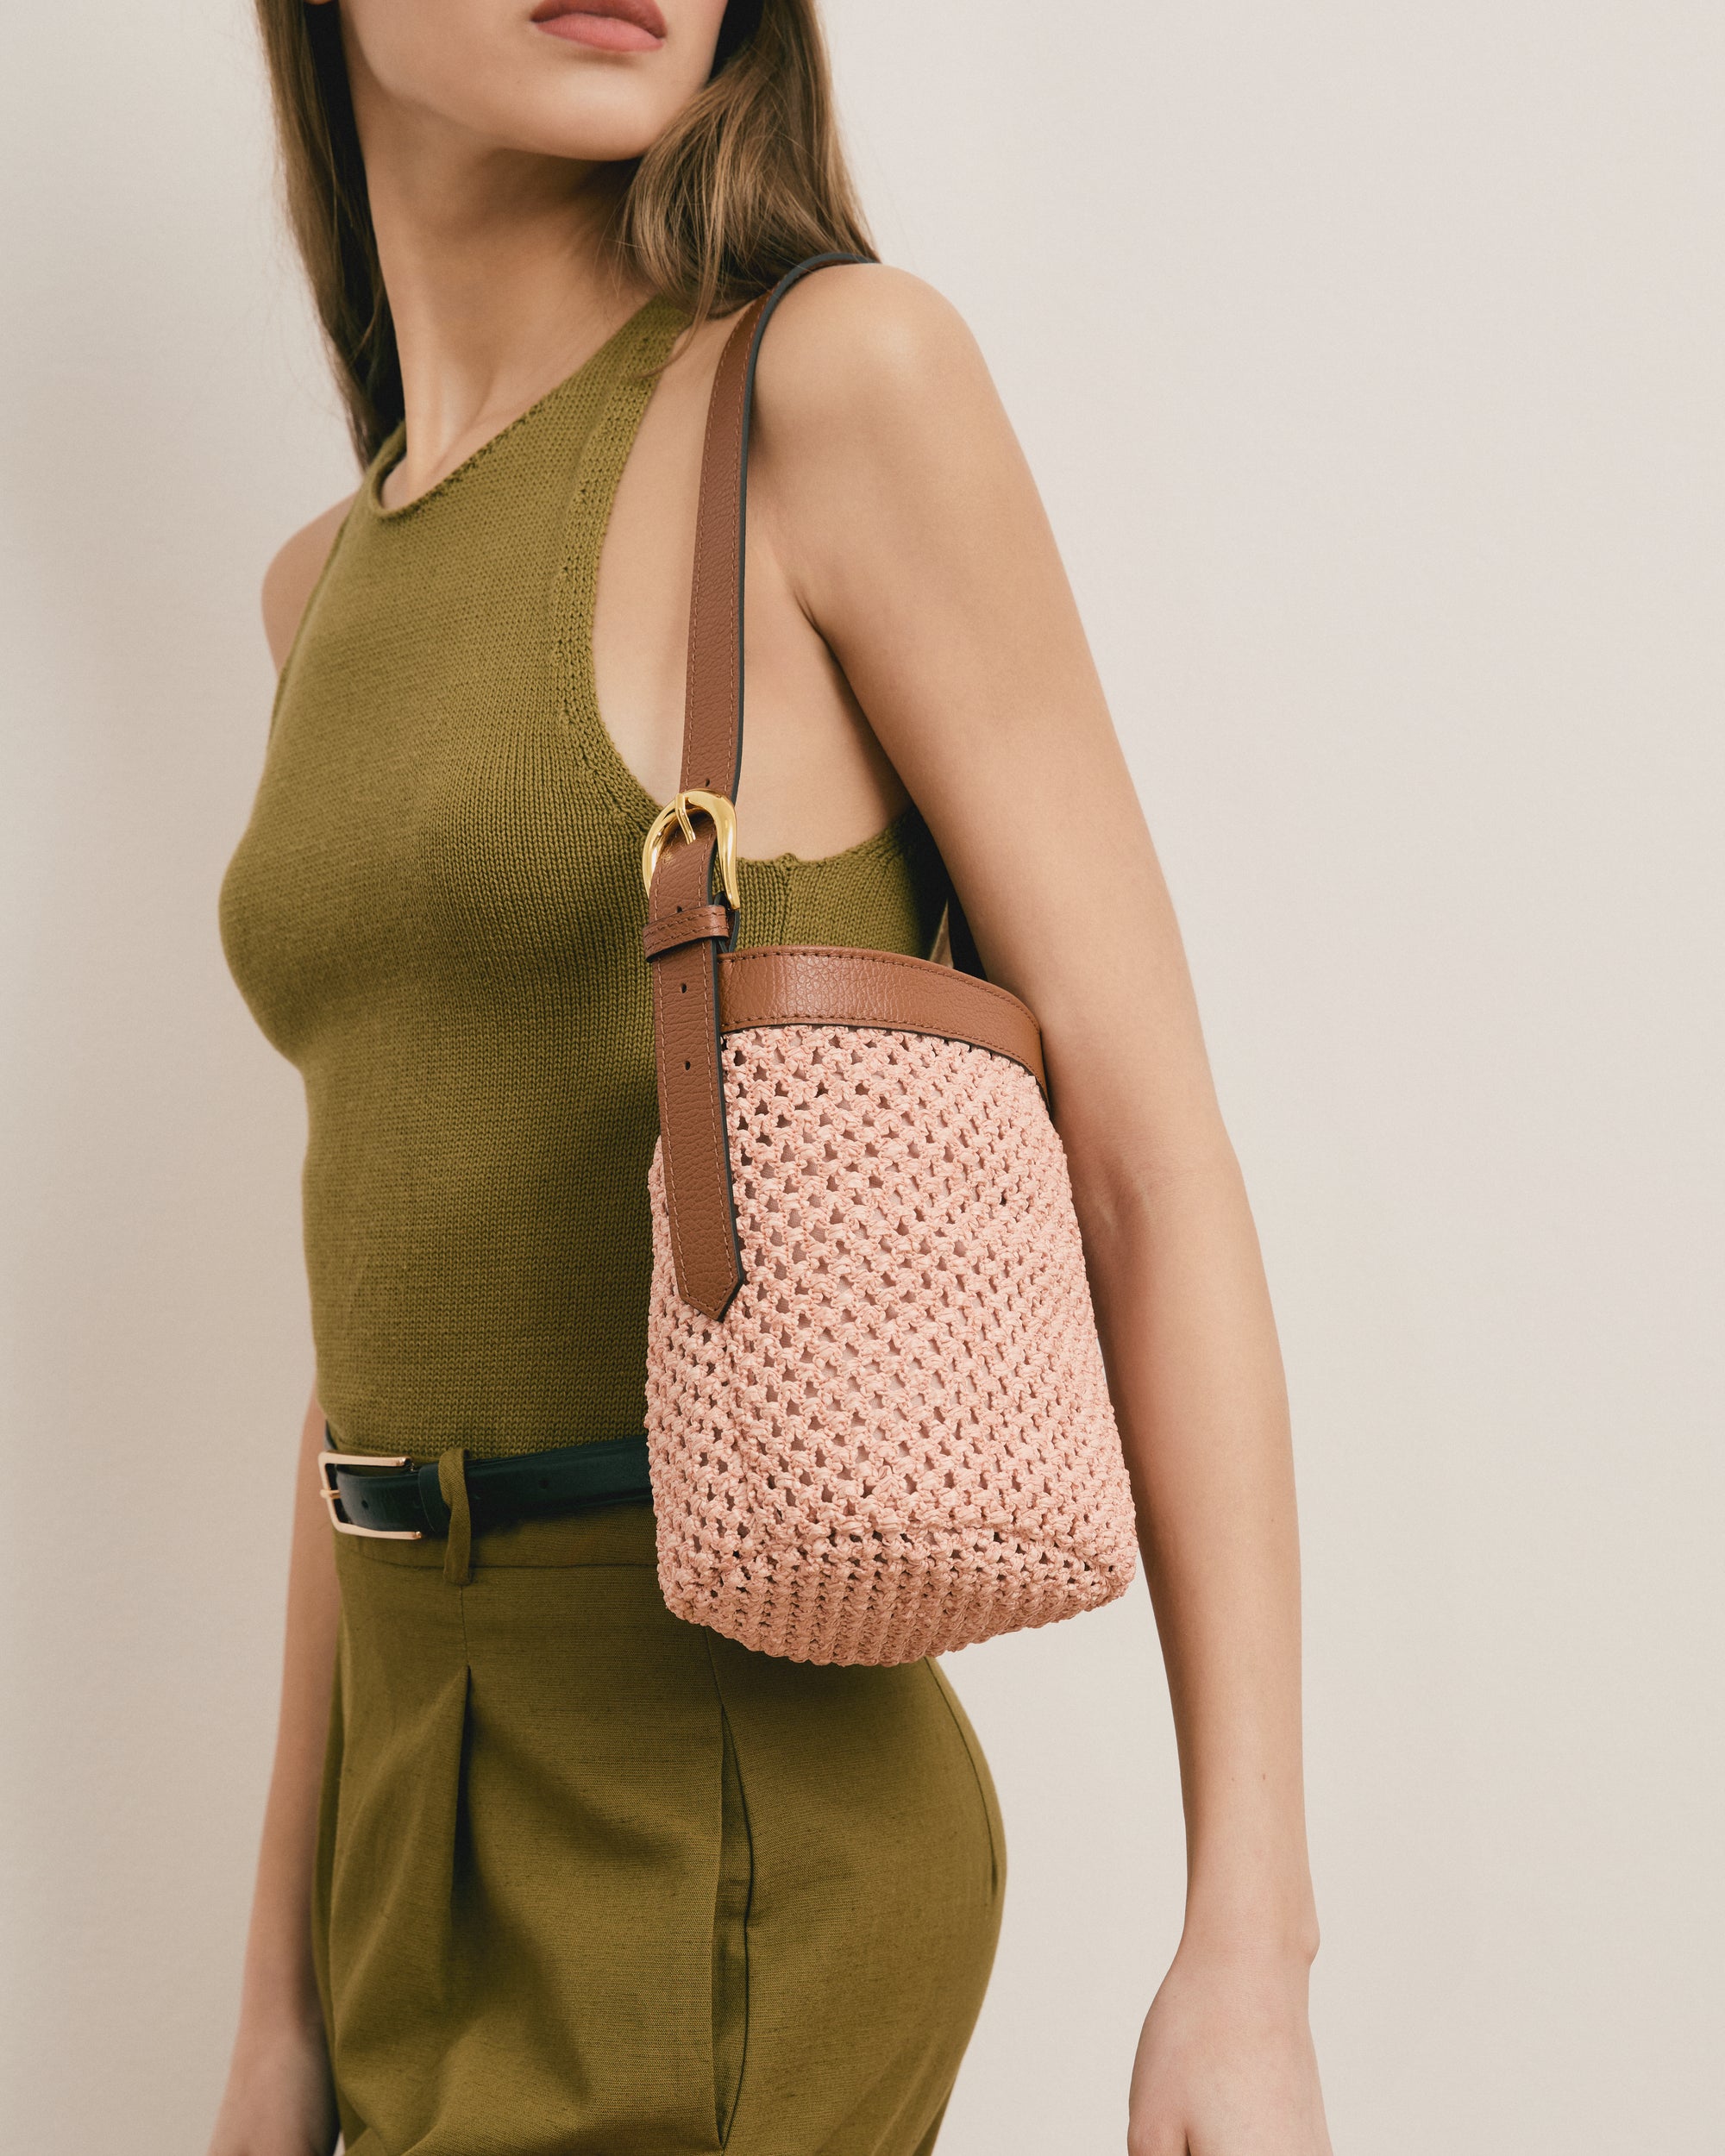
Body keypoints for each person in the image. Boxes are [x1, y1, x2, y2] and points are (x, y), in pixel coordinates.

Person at [211, 3, 1333, 2151]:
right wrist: (275, 2009)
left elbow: (1147, 1159)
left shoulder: (828, 385)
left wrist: (1245, 1948)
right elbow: (371, 1341)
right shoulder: (318, 591)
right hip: (407, 1822)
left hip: (726, 1826)